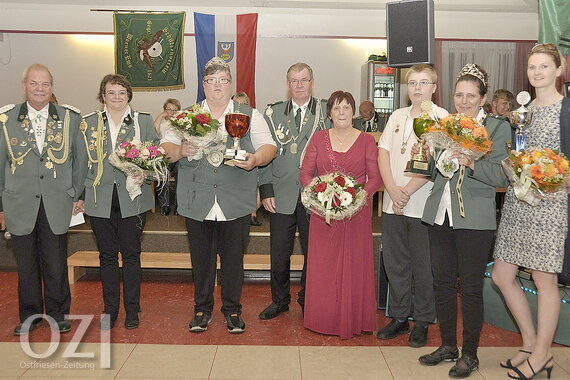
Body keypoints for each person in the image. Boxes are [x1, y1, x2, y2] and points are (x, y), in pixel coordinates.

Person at [161, 57, 276, 334]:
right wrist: (179, 152)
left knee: (234, 260)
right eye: (211, 81)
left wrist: (255, 159)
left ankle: (233, 310)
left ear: (230, 83)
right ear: (203, 85)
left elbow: (269, 146)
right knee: (201, 259)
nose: (217, 86)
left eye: (223, 80)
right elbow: (165, 145)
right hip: (196, 198)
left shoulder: (250, 114)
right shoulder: (186, 116)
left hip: (235, 199)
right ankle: (201, 309)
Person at [418, 63, 511, 378]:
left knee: (470, 287)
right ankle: (447, 346)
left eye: (471, 95)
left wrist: (471, 162)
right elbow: (434, 174)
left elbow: (502, 175)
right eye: (459, 94)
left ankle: (469, 354)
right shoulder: (444, 124)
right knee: (441, 282)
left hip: (475, 218)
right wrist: (431, 155)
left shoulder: (498, 128)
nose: (464, 100)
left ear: (482, 97)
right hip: (439, 213)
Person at [492, 44, 567, 380]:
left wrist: (551, 177)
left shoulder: (566, 110)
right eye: (532, 67)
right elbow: (518, 154)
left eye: (544, 66)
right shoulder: (523, 111)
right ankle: (530, 344)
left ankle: (542, 355)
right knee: (501, 275)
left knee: (543, 279)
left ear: (559, 69)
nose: (537, 72)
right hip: (519, 203)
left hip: (552, 205)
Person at [0, 63, 87, 335]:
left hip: (57, 202)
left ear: (52, 87)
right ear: (24, 85)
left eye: (45, 84)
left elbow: (80, 160)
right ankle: (30, 316)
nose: (40, 89)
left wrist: (77, 194)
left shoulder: (70, 118)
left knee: (55, 262)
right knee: (26, 266)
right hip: (19, 204)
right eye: (34, 84)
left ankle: (59, 314)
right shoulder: (6, 120)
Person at [300, 90, 382, 339]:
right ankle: (323, 318)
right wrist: (319, 197)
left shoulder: (367, 140)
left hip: (356, 215)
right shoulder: (318, 138)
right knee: (324, 267)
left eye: (346, 107)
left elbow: (375, 178)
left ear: (353, 111)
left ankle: (353, 318)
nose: (342, 112)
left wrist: (356, 200)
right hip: (323, 214)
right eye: (336, 108)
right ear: (330, 113)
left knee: (354, 265)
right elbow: (305, 174)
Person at [376, 64, 448, 347]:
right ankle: (400, 316)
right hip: (393, 203)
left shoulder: (441, 119)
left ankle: (423, 320)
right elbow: (383, 152)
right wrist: (392, 190)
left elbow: (436, 163)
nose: (417, 88)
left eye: (424, 82)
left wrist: (404, 191)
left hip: (422, 205)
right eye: (413, 83)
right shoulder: (397, 116)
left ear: (434, 87)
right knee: (396, 264)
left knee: (422, 265)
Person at [81, 74, 158, 330]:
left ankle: (132, 310)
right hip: (98, 199)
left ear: (129, 96)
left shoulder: (143, 122)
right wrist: (78, 197)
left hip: (133, 200)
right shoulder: (88, 123)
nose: (116, 97)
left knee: (132, 255)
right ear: (103, 95)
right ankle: (110, 310)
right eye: (111, 92)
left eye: (121, 92)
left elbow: (157, 159)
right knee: (107, 257)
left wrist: (144, 170)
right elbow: (80, 163)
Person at [258, 63, 329, 320]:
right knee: (279, 252)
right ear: (288, 84)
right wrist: (266, 189)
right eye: (294, 81)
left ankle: (308, 298)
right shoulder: (273, 113)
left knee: (315, 252)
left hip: (316, 196)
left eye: (304, 80)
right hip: (281, 194)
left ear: (312, 82)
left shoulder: (326, 113)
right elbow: (264, 152)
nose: (299, 85)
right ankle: (280, 300)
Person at [232, 92, 262, 227]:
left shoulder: (255, 119)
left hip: (252, 158)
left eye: (243, 104)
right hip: (231, 160)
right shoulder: (227, 120)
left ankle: (252, 212)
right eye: (237, 104)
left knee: (258, 182)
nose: (240, 107)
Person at [153, 98, 181, 216]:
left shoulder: (182, 122)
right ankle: (165, 205)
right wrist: (161, 115)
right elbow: (153, 132)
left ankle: (179, 205)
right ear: (165, 110)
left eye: (174, 110)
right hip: (164, 156)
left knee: (182, 171)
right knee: (161, 171)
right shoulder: (162, 122)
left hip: (179, 155)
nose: (171, 112)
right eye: (169, 109)